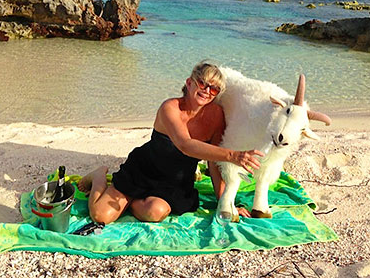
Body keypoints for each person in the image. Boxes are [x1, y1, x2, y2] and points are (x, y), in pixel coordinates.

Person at [78, 61, 262, 224]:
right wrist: (233, 155)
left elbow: (213, 163)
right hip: (143, 169)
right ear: (189, 83)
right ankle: (99, 175)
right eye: (202, 83)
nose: (207, 91)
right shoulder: (170, 108)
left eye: (213, 89)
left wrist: (225, 203)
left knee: (156, 212)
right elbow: (185, 145)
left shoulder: (216, 116)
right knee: (100, 216)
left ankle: (131, 201)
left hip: (176, 181)